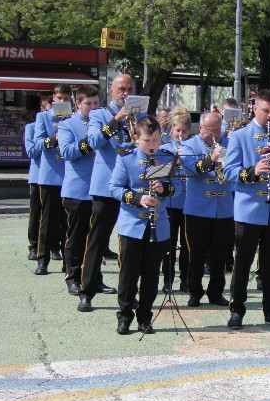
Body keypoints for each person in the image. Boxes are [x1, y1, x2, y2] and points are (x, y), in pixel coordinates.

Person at [223, 89, 270, 329]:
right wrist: (253, 171)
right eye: (266, 111)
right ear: (254, 108)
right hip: (249, 209)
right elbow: (228, 172)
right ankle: (237, 310)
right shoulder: (240, 136)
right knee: (243, 263)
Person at [109, 116, 176, 335]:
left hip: (159, 223)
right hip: (132, 224)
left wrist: (162, 189)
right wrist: (139, 199)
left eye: (156, 140)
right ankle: (125, 316)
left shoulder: (166, 158)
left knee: (151, 274)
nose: (153, 145)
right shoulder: (126, 159)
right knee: (129, 274)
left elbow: (175, 188)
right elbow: (115, 188)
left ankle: (145, 317)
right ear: (136, 138)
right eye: (147, 140)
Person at [80, 74, 138, 311]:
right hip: (106, 185)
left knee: (131, 243)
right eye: (121, 89)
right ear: (111, 90)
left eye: (130, 89)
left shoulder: (141, 115)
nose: (125, 93)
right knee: (98, 239)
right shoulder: (98, 114)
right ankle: (87, 291)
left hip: (132, 186)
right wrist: (116, 119)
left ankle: (128, 293)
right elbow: (92, 141)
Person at [179, 112, 233, 307]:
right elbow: (190, 168)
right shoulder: (189, 145)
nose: (214, 135)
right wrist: (211, 158)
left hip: (224, 207)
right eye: (210, 130)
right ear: (201, 128)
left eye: (218, 130)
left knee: (220, 254)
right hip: (198, 209)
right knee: (197, 253)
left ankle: (216, 292)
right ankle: (194, 291)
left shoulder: (230, 142)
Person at [58, 85, 99, 306]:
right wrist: (91, 142)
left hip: (100, 189)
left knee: (97, 238)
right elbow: (67, 152)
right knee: (76, 236)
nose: (93, 108)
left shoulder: (102, 122)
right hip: (78, 189)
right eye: (88, 104)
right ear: (78, 104)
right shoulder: (67, 124)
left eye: (95, 103)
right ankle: (73, 277)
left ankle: (95, 278)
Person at [33, 85, 72, 276]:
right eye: (59, 98)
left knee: (68, 222)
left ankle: (68, 261)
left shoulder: (74, 119)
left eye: (66, 99)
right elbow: (36, 145)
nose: (63, 102)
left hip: (69, 176)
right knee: (47, 220)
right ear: (53, 99)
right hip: (50, 176)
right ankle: (42, 260)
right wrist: (53, 139)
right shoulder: (43, 117)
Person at [159, 107, 190, 294]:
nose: (181, 134)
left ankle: (185, 280)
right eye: (177, 130)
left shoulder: (192, 147)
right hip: (170, 201)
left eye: (184, 131)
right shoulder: (164, 148)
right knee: (168, 244)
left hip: (187, 201)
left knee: (186, 244)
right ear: (171, 129)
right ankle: (167, 279)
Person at [24, 112, 43, 261]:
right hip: (38, 177)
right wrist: (48, 141)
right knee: (36, 213)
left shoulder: (64, 125)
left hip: (58, 177)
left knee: (59, 216)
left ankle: (54, 246)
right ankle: (34, 246)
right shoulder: (31, 127)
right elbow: (31, 151)